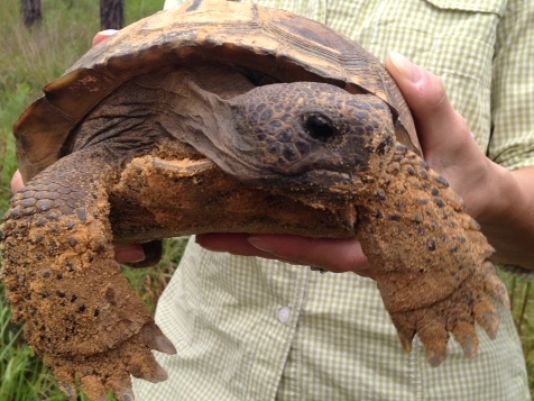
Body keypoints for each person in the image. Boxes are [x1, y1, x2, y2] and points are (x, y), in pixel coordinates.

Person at [11, 0, 534, 400]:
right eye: (320, 128)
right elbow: (45, 203)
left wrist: (484, 200)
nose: (372, 144)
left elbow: (381, 150)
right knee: (51, 219)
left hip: (417, 385)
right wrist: (64, 259)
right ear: (250, 120)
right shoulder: (132, 113)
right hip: (199, 371)